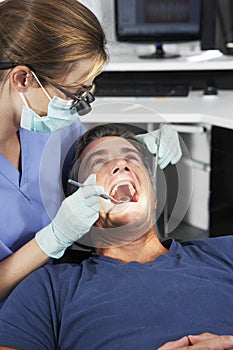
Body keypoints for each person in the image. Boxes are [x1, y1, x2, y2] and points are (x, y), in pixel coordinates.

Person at [0, 0, 182, 307]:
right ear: (23, 79)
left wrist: (132, 147)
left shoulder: (56, 125)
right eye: (74, 92)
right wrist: (53, 239)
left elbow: (80, 163)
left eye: (88, 90)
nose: (77, 107)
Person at [0, 123, 232, 350]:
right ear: (79, 202)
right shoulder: (48, 290)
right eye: (99, 163)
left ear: (154, 195)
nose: (121, 163)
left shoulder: (225, 253)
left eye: (132, 158)